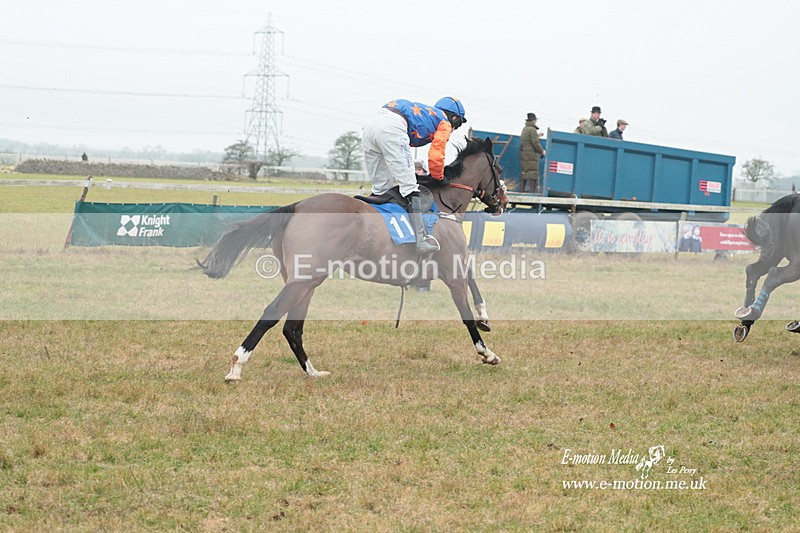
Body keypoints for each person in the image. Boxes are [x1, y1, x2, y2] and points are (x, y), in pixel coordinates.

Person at [362, 97, 467, 253]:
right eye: (457, 124)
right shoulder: (444, 122)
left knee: (381, 188)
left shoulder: (427, 113)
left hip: (370, 126)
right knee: (410, 187)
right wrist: (438, 176)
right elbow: (436, 155)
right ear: (454, 117)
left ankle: (370, 231)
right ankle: (421, 239)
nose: (454, 128)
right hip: (392, 127)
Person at [519, 112, 545, 193]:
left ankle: (522, 190)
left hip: (524, 153)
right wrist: (542, 152)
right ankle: (532, 192)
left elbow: (528, 140)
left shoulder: (525, 128)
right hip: (531, 154)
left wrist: (538, 135)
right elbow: (535, 143)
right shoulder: (532, 130)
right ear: (533, 120)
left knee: (525, 171)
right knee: (533, 173)